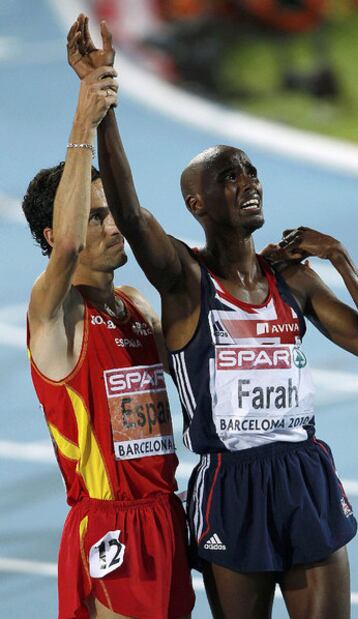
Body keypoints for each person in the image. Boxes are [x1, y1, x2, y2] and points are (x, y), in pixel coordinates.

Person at [69, 15, 358, 619]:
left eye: (251, 171)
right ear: (197, 204)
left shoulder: (292, 278)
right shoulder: (184, 281)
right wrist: (105, 102)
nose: (248, 182)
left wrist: (342, 258)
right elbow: (127, 204)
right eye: (230, 176)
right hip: (231, 482)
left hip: (306, 472)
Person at [23, 19, 195, 619]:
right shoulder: (54, 317)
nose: (111, 224)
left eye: (108, 213)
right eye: (95, 216)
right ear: (53, 233)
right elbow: (68, 250)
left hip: (167, 517)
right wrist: (82, 120)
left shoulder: (137, 307)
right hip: (109, 527)